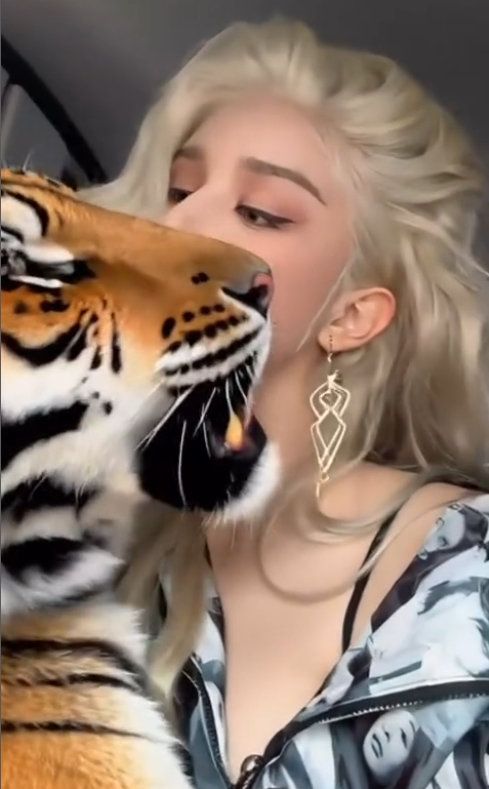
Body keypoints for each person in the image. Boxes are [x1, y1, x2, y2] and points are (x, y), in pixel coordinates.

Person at [84, 18, 489, 788]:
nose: (176, 222)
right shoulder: (92, 545)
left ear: (352, 315)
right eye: (178, 189)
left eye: (260, 212)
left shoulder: (468, 579)